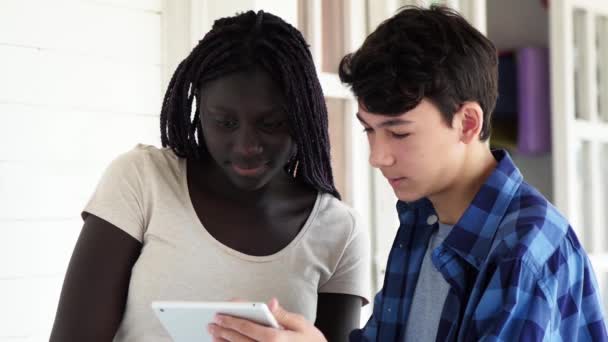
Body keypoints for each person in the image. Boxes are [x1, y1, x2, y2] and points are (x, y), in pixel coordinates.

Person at [208, 5, 608, 341]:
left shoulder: (523, 251)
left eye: (398, 132)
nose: (378, 156)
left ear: (467, 123)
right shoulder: (422, 222)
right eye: (369, 129)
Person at [49, 10, 370, 342]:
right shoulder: (142, 181)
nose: (247, 146)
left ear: (303, 118)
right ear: (199, 109)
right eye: (224, 123)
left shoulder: (339, 231)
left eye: (270, 124)